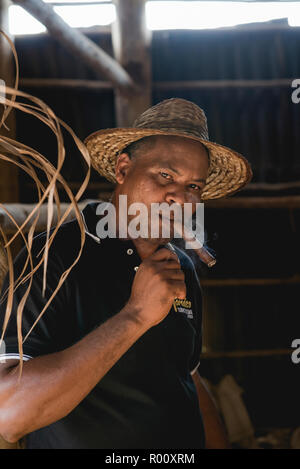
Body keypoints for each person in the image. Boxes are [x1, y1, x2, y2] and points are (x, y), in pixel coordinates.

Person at [0, 98, 252, 449]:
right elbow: (9, 416)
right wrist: (135, 315)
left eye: (194, 186)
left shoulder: (181, 269)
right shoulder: (52, 256)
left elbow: (187, 377)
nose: (180, 198)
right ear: (122, 169)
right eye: (166, 175)